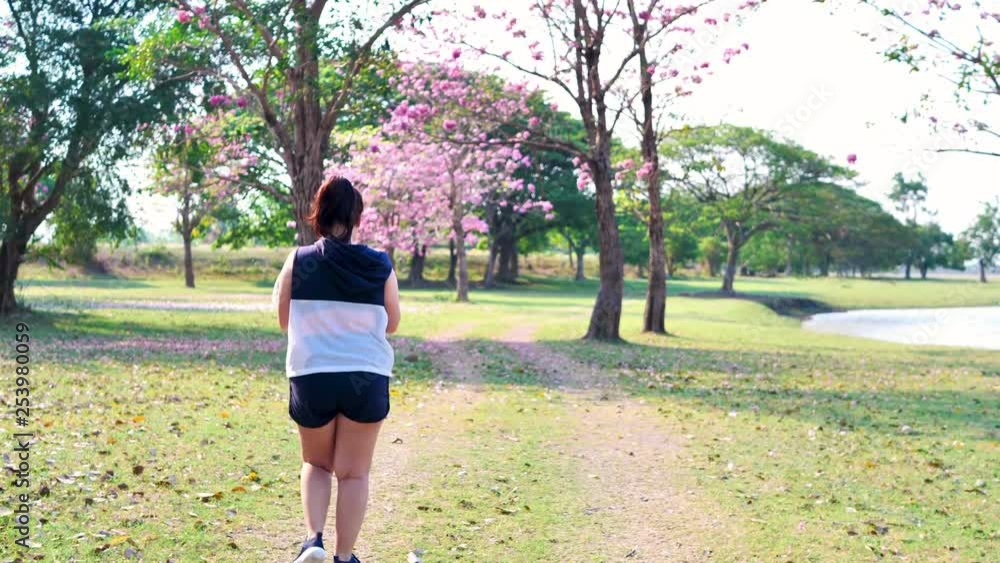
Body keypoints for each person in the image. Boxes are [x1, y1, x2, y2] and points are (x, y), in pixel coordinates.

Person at [272, 176, 401, 563]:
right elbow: (392, 323)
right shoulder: (380, 264)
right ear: (356, 217)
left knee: (316, 463)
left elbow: (283, 319)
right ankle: (344, 558)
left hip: (313, 376)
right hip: (365, 376)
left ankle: (313, 542)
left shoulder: (299, 260)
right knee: (353, 473)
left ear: (318, 215)